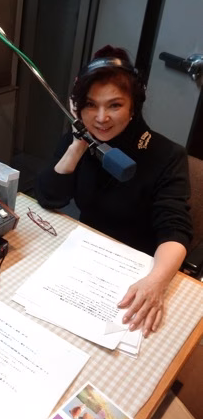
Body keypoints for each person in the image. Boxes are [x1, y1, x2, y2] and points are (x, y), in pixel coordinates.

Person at [36, 46, 192, 338]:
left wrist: (156, 282)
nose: (101, 118)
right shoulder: (81, 140)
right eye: (90, 105)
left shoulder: (166, 155)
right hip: (87, 260)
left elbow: (175, 230)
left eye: (115, 105)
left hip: (139, 271)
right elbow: (49, 197)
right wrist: (78, 145)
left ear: (134, 106)